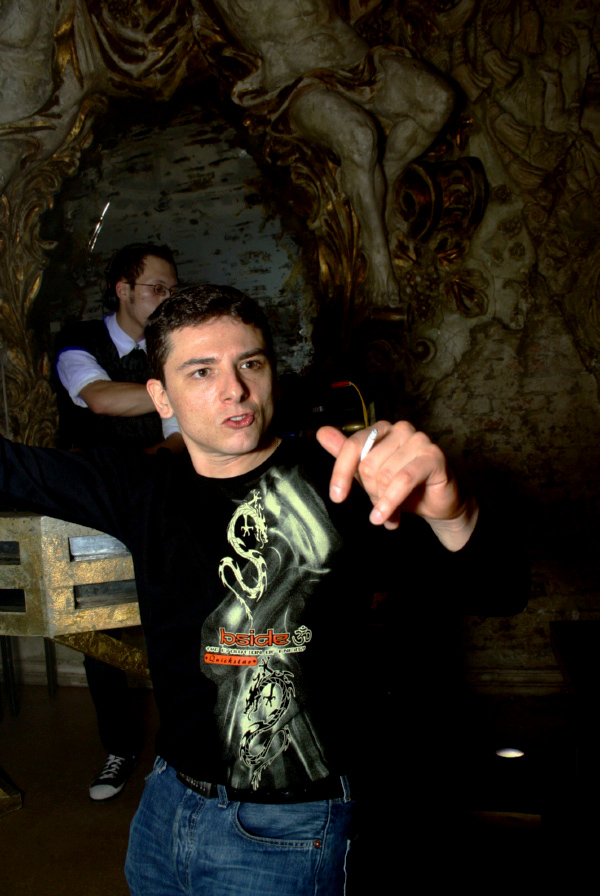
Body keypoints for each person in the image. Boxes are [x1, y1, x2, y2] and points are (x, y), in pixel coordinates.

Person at [1, 285, 528, 892]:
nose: (235, 389)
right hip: (166, 805)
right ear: (161, 395)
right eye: (201, 371)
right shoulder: (140, 485)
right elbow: (11, 469)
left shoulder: (337, 483)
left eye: (249, 363)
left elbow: (500, 590)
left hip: (295, 823)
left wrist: (454, 512)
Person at [54, 242, 180, 801]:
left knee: (172, 616)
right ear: (123, 290)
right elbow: (100, 399)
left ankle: (180, 749)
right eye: (157, 288)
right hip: (91, 504)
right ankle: (119, 748)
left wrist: (164, 450)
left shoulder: (170, 344)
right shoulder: (78, 341)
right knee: (97, 626)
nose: (167, 298)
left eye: (173, 289)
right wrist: (182, 391)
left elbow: (178, 438)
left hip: (157, 496)